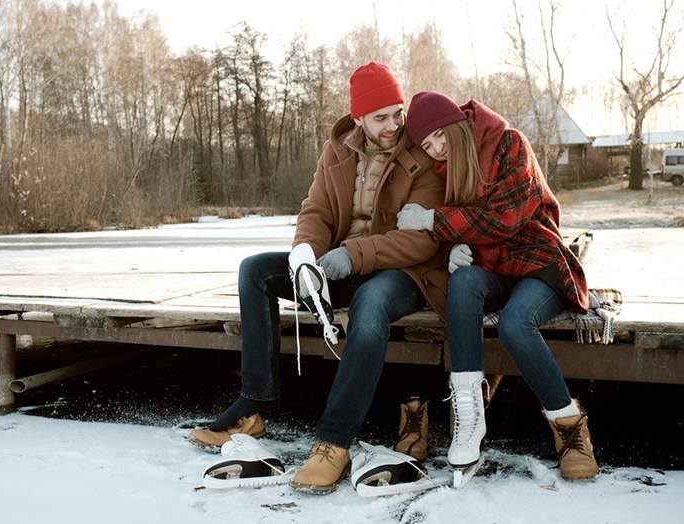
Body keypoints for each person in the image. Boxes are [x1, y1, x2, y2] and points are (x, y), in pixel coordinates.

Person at [189, 63, 449, 494]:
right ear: (360, 118)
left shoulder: (420, 154)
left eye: (397, 113)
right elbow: (317, 211)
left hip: (401, 271)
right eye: (380, 117)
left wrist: (352, 254)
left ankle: (334, 441)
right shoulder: (338, 151)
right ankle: (252, 405)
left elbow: (420, 240)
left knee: (370, 304)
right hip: (337, 264)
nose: (393, 125)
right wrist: (305, 253)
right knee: (255, 270)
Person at [397, 91, 598, 481]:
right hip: (492, 268)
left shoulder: (510, 143)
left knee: (515, 324)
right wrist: (453, 247)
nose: (437, 149)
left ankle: (570, 428)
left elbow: (506, 218)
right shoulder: (444, 170)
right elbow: (463, 226)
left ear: (456, 122)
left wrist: (436, 221)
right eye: (427, 145)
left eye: (440, 136)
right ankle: (469, 417)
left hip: (537, 264)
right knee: (463, 282)